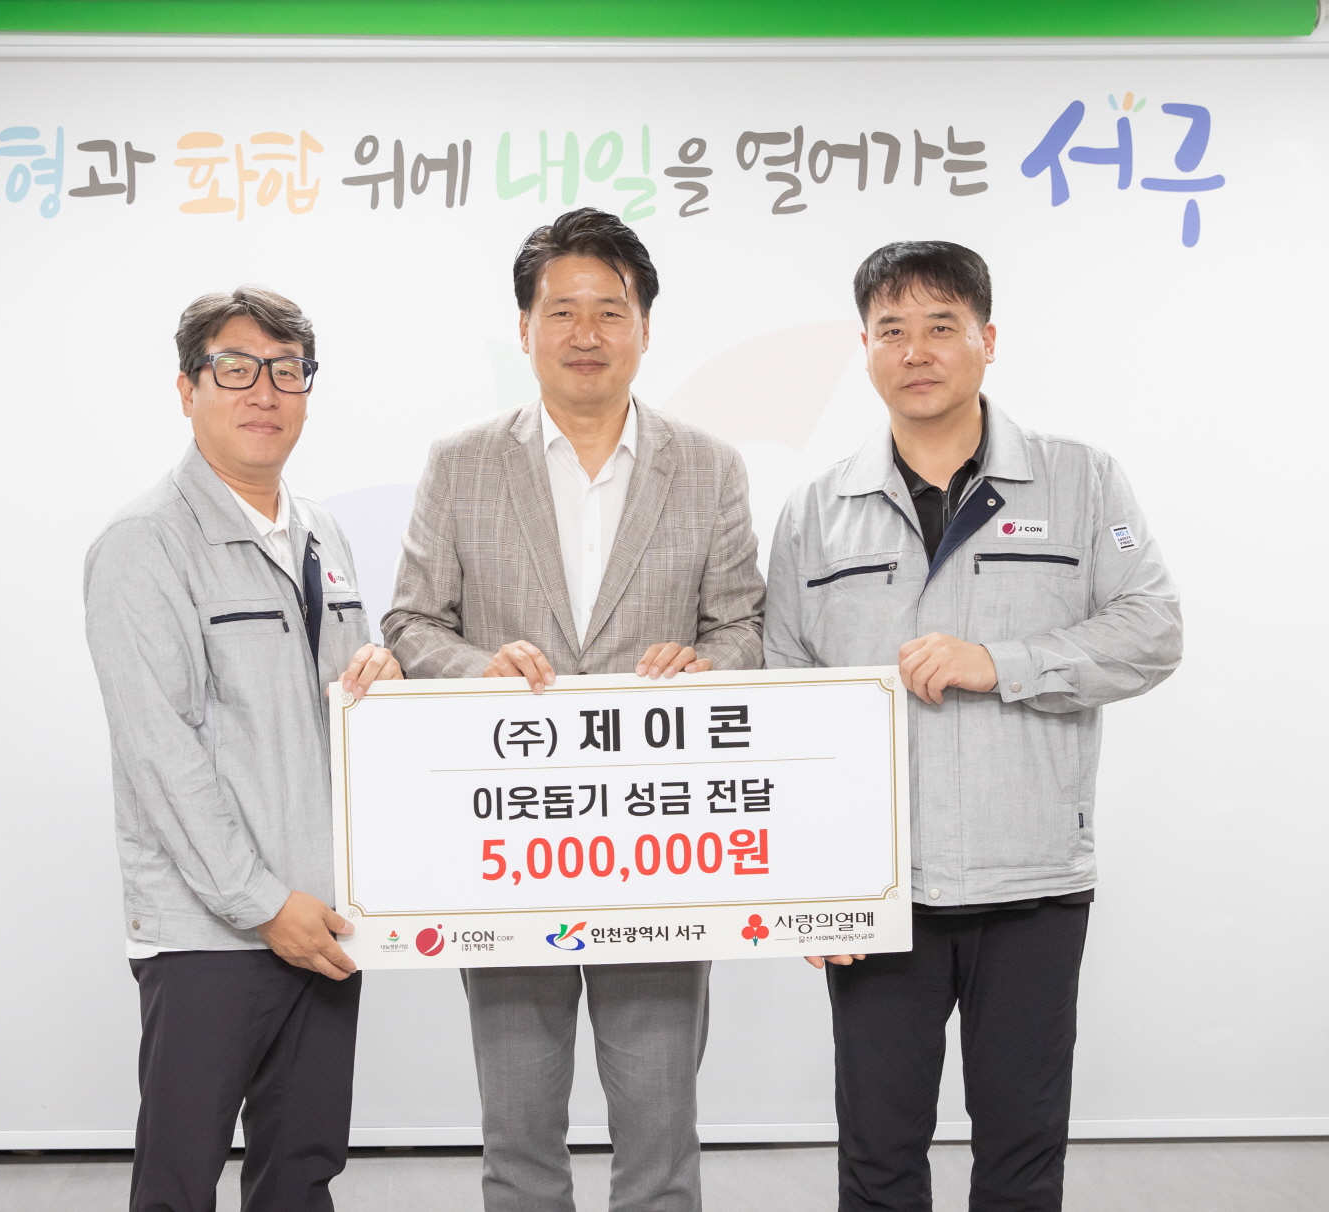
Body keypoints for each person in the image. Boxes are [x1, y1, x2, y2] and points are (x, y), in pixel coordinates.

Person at [764, 242, 1182, 1212]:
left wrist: (1004, 662)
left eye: (941, 326)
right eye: (892, 330)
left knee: (1022, 1160)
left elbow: (1153, 631)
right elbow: (787, 699)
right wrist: (812, 885)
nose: (916, 351)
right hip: (881, 892)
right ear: (864, 349)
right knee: (877, 1160)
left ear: (988, 340)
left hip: (1032, 883)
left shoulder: (1082, 482)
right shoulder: (816, 511)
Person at [382, 207, 765, 1212]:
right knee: (517, 1136)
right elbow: (412, 622)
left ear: (645, 328)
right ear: (525, 328)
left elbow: (744, 627)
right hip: (512, 847)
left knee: (660, 1137)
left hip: (657, 848)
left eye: (610, 310)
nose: (585, 333)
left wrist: (705, 663)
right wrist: (479, 670)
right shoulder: (462, 464)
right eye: (562, 311)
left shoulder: (710, 466)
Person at [83, 286, 402, 1212]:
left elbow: (333, 707)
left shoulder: (323, 533)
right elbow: (161, 753)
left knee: (301, 1174)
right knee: (180, 1183)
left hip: (325, 921)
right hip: (209, 934)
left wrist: (381, 669)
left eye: (287, 370)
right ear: (188, 389)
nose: (265, 391)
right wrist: (264, 905)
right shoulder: (144, 543)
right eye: (235, 368)